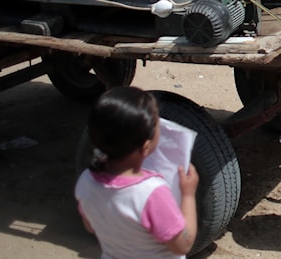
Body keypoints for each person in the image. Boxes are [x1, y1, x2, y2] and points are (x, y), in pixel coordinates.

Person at [75, 86, 199, 259]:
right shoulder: (152, 193)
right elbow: (182, 245)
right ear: (146, 146)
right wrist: (188, 195)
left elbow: (90, 226)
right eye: (157, 123)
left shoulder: (85, 181)